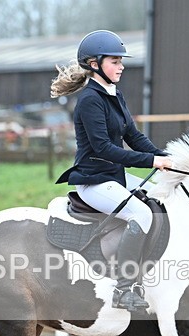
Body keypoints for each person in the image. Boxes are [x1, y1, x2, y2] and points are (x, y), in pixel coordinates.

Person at [51, 30, 173, 312]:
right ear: (95, 64)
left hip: (113, 177)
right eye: (115, 61)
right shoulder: (90, 100)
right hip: (93, 181)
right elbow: (104, 149)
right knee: (140, 213)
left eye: (121, 61)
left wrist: (165, 157)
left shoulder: (114, 94)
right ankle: (124, 288)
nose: (121, 66)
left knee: (158, 196)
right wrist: (151, 163)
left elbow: (133, 135)